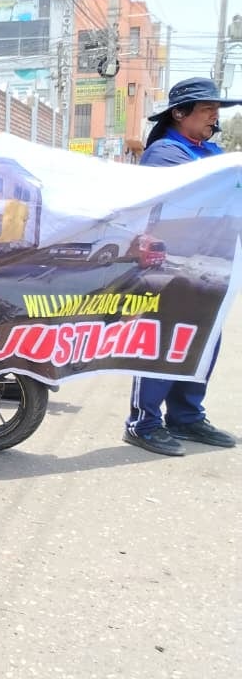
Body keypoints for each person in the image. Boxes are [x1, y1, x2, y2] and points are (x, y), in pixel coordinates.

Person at [123, 77, 239, 456]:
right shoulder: (167, 154)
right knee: (165, 339)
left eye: (215, 111)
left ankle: (187, 416)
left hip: (210, 260)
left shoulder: (210, 150)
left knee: (204, 339)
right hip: (169, 264)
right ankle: (144, 422)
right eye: (207, 110)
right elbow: (213, 186)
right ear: (179, 113)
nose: (213, 118)